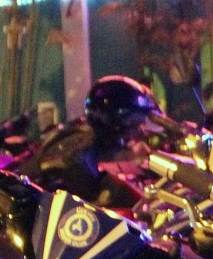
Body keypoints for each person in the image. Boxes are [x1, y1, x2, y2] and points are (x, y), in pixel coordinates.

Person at [31, 74, 161, 207]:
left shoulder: (75, 135)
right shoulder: (82, 157)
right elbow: (91, 205)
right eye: (136, 121)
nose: (140, 128)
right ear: (120, 119)